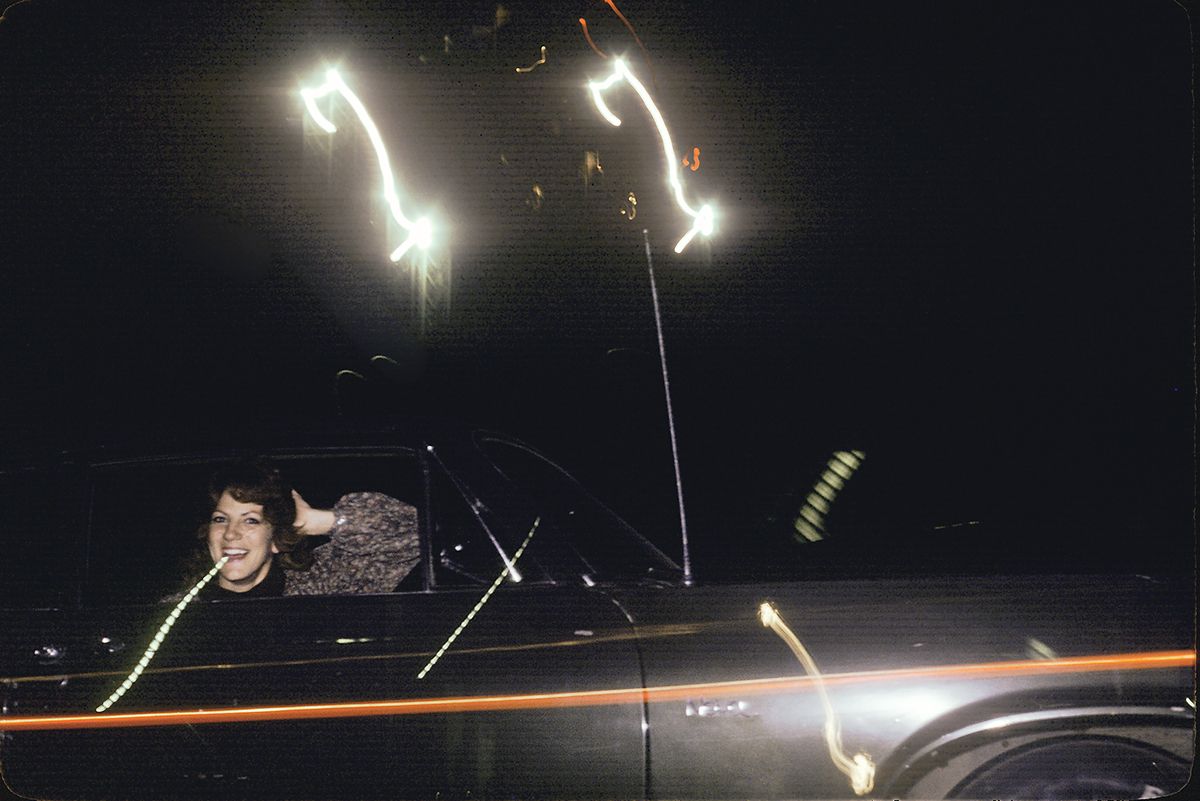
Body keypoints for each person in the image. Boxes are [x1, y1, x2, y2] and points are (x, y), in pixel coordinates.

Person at [169, 457, 420, 600]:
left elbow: (417, 535)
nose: (231, 533)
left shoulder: (323, 585)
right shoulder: (174, 612)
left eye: (251, 520)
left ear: (276, 539)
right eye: (220, 519)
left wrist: (318, 521)